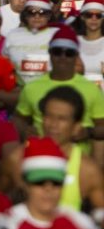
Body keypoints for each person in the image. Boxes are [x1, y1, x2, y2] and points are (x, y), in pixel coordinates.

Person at [3, 86, 104, 215]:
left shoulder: (88, 171)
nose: (53, 125)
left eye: (62, 119)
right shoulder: (16, 159)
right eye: (49, 116)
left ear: (76, 127)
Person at [14, 26, 104, 170]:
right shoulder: (32, 87)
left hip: (78, 165)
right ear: (49, 53)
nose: (62, 57)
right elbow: (19, 119)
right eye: (57, 52)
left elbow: (102, 127)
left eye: (68, 53)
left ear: (76, 56)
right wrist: (24, 130)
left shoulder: (91, 89)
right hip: (39, 162)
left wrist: (88, 132)